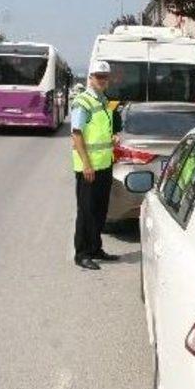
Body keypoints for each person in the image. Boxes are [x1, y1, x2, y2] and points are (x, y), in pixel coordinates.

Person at [71, 60, 120, 270]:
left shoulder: (103, 101)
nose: (101, 80)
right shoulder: (83, 102)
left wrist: (112, 139)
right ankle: (82, 253)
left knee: (100, 210)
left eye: (104, 77)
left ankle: (95, 247)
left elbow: (99, 132)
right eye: (98, 76)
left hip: (104, 165)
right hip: (89, 167)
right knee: (86, 211)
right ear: (90, 78)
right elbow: (77, 134)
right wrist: (86, 165)